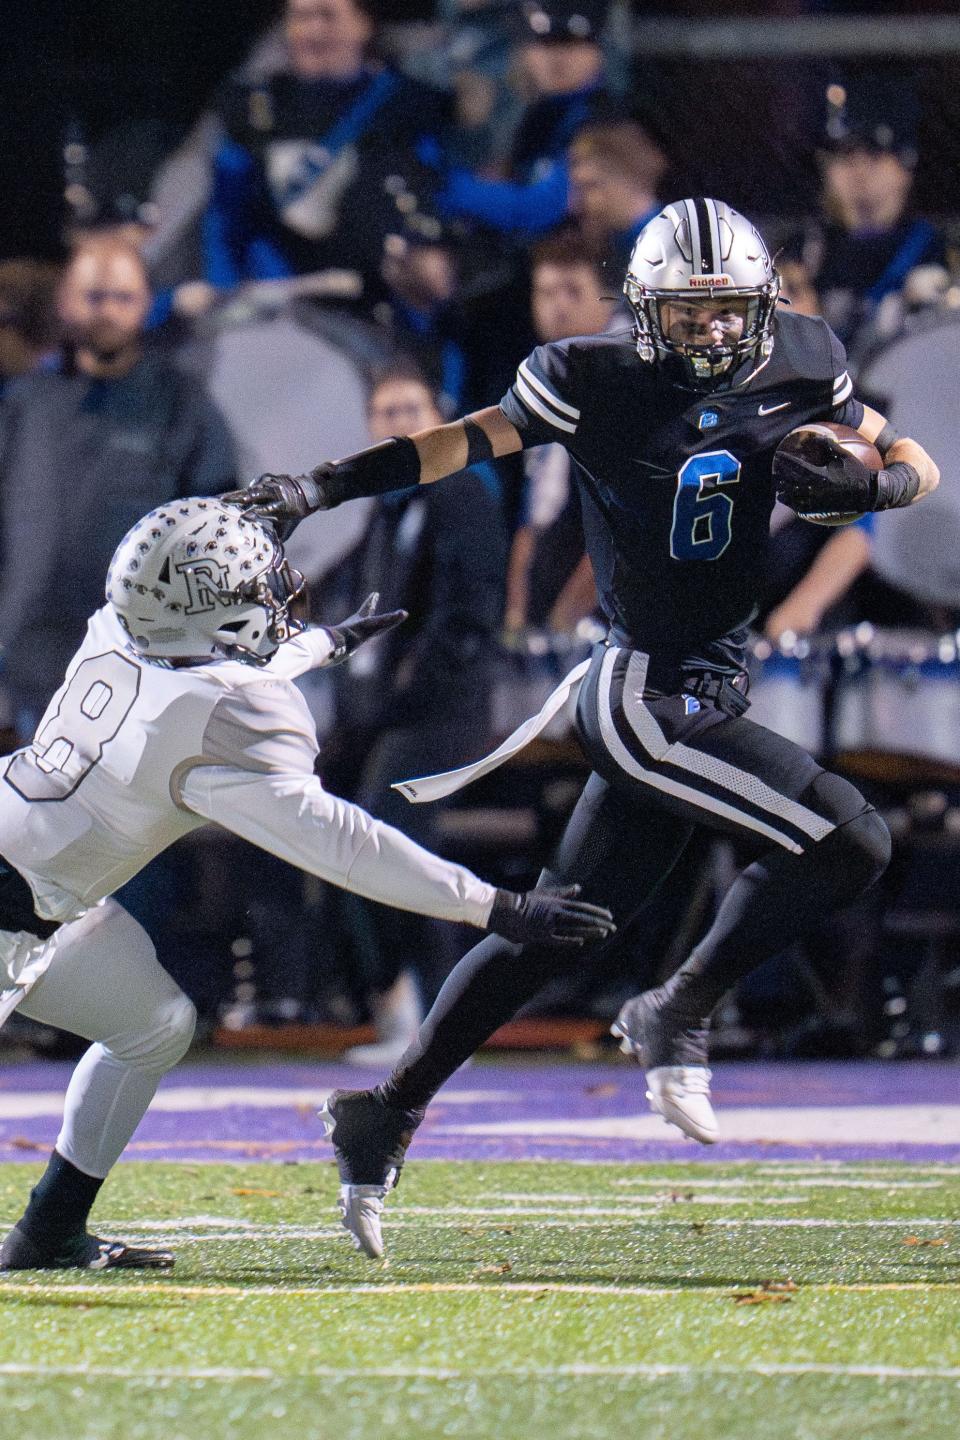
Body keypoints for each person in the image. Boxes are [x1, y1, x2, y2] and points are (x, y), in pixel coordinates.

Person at [239, 196, 938, 1259]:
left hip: (716, 680)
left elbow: (914, 459)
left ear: (764, 307)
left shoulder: (803, 353)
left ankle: (383, 1109)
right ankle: (678, 1008)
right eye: (688, 313)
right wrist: (328, 484)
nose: (711, 333)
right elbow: (458, 444)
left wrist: (882, 482)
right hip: (643, 695)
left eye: (728, 313)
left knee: (564, 927)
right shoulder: (591, 378)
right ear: (644, 312)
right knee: (852, 837)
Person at [0, 497, 612, 1271]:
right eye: (255, 592)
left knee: (152, 1023)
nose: (272, 603)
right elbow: (342, 844)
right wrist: (492, 904)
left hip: (44, 896)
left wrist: (319, 644)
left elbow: (201, 659)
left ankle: (48, 1229)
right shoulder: (226, 716)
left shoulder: (119, 628)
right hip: (19, 913)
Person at [321, 364, 507, 1064]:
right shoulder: (380, 508)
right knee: (355, 840)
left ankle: (434, 1017)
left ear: (440, 416)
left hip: (438, 713)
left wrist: (399, 695)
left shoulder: (461, 494)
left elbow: (463, 621)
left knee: (392, 844)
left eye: (410, 407)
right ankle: (397, 1007)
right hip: (385, 713)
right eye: (384, 410)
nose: (396, 422)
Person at [0, 238, 234, 736]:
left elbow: (219, 521)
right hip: (30, 651)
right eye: (93, 296)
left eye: (122, 298)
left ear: (146, 305)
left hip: (138, 651)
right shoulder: (26, 404)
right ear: (65, 301)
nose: (107, 310)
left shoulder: (181, 402)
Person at [204, 0, 450, 308]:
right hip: (277, 310)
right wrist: (223, 299)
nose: (312, 31)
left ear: (364, 24)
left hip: (378, 310)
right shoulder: (254, 110)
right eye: (300, 17)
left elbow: (437, 196)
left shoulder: (405, 107)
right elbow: (225, 224)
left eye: (327, 15)